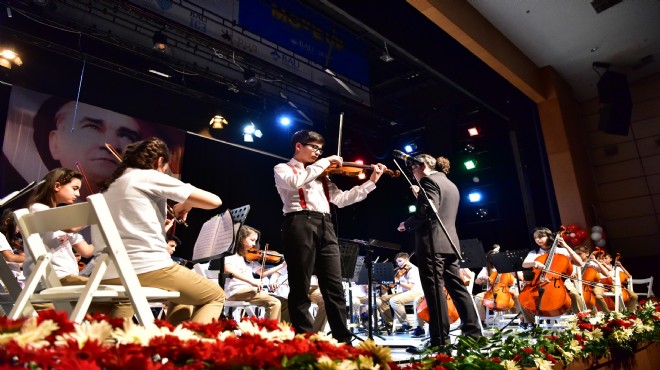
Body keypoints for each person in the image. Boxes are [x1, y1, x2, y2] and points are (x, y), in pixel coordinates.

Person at [273, 130, 387, 344]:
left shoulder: (322, 176)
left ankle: (343, 340)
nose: (318, 152)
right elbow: (294, 182)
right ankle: (304, 340)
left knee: (335, 286)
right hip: (299, 223)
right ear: (299, 146)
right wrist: (324, 162)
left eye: (320, 150)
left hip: (326, 224)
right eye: (314, 148)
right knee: (300, 286)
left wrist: (371, 182)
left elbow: (342, 200)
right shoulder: (283, 169)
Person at [99, 137, 225, 324]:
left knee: (183, 298)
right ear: (159, 161)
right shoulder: (148, 176)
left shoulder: (112, 186)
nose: (165, 170)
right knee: (215, 296)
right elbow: (214, 201)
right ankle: (189, 350)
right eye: (166, 166)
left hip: (108, 272)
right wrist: (187, 203)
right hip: (144, 268)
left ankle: (169, 341)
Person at [398, 154, 482, 349]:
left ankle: (440, 341)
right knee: (458, 289)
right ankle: (473, 334)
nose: (413, 173)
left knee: (434, 291)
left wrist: (406, 224)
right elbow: (439, 210)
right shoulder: (450, 183)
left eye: (413, 169)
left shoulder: (428, 181)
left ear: (423, 166)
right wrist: (420, 195)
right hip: (450, 244)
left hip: (432, 245)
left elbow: (427, 212)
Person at [23, 168, 94, 287]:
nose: (78, 194)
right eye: (74, 188)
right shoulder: (37, 209)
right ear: (57, 186)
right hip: (52, 277)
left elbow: (86, 251)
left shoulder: (61, 219)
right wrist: (97, 213)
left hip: (66, 277)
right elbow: (72, 227)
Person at [223, 225, 289, 322]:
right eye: (252, 240)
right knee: (274, 303)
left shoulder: (248, 258)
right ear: (241, 238)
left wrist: (282, 265)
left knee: (285, 303)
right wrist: (252, 281)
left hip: (249, 290)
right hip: (236, 290)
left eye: (255, 241)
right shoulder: (232, 254)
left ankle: (283, 331)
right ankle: (269, 333)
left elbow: (262, 273)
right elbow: (227, 268)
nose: (254, 244)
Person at [521, 227, 585, 315]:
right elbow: (524, 264)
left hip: (561, 281)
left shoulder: (561, 251)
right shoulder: (534, 253)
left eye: (540, 236)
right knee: (525, 298)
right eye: (535, 237)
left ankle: (581, 317)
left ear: (548, 236)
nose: (538, 239)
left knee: (575, 295)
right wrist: (534, 262)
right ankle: (531, 324)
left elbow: (579, 263)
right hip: (540, 281)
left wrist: (566, 246)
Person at [376, 252, 424, 334]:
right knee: (380, 300)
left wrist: (398, 282)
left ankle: (406, 324)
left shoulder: (413, 270)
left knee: (394, 300)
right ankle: (389, 322)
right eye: (397, 262)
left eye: (400, 261)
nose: (398, 263)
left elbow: (410, 287)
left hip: (415, 292)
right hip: (403, 293)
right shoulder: (402, 270)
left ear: (407, 259)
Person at [573, 245, 610, 312]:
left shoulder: (593, 263)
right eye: (576, 254)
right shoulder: (574, 263)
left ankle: (607, 313)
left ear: (587, 253)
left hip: (595, 284)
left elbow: (607, 274)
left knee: (598, 296)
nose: (577, 256)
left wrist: (596, 261)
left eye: (579, 254)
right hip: (579, 285)